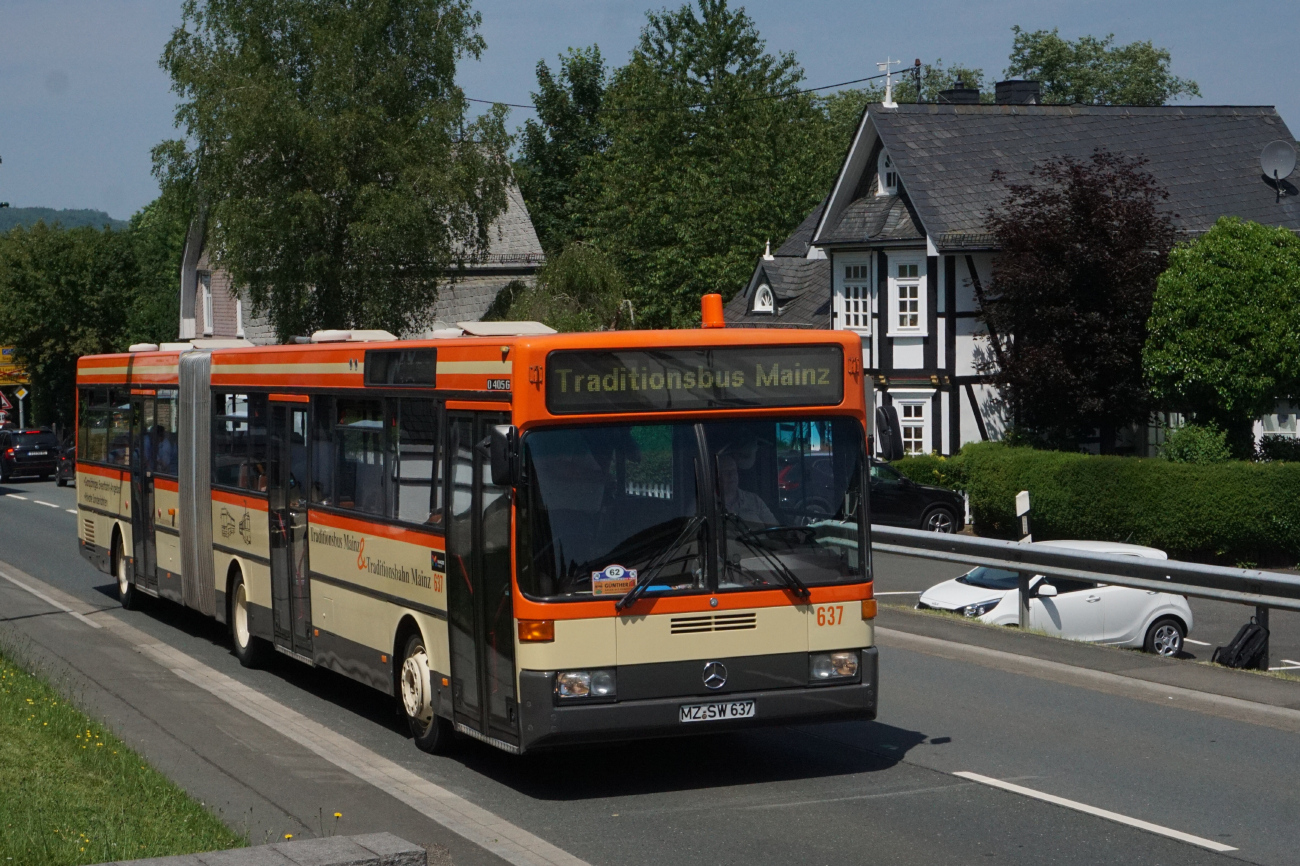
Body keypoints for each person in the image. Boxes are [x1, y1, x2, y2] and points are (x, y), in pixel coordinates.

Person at [716, 450, 776, 526]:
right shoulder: (705, 505)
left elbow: (774, 529)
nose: (731, 476)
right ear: (716, 476)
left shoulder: (754, 500)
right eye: (726, 472)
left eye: (734, 471)